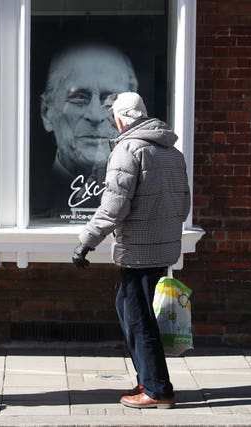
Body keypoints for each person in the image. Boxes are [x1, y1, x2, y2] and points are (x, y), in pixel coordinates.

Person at [71, 92, 191, 409]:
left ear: (122, 117)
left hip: (138, 251)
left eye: (114, 116)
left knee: (140, 319)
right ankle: (147, 378)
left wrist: (86, 242)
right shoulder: (173, 153)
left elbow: (113, 207)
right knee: (127, 307)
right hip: (163, 248)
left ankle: (158, 389)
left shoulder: (128, 149)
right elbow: (184, 205)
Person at [39, 43, 138, 216]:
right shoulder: (30, 190)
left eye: (109, 99)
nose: (95, 115)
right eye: (78, 97)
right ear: (47, 112)